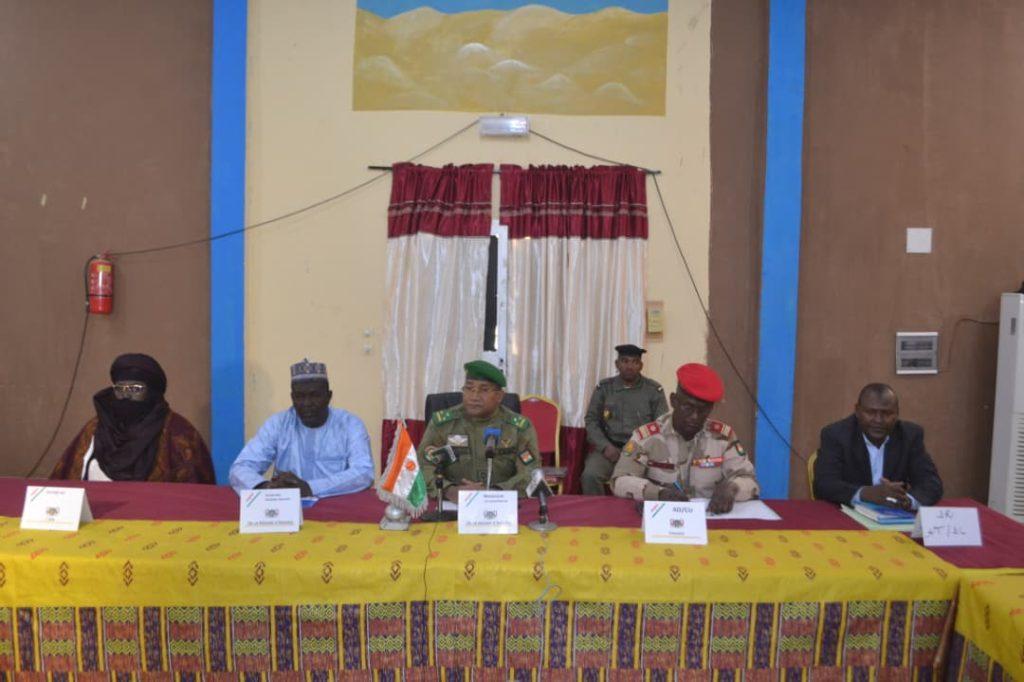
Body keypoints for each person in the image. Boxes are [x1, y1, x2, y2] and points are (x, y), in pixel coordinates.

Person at [611, 362, 759, 513]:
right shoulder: (647, 437)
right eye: (688, 407)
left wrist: (733, 488)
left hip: (709, 517)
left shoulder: (723, 438)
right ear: (674, 401)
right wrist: (657, 493)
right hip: (663, 516)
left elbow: (749, 480)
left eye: (703, 410)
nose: (694, 417)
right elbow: (619, 481)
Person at [50, 353, 214, 483]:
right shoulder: (95, 429)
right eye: (120, 389)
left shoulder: (179, 434)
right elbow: (65, 484)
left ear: (152, 392)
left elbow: (195, 496)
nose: (126, 395)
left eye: (135, 389)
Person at [229, 359, 373, 498]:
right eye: (300, 396)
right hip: (286, 506)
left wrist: (310, 488)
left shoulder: (350, 425)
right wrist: (265, 487)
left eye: (314, 396)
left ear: (329, 397)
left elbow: (364, 472)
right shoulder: (278, 424)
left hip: (336, 505)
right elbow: (241, 467)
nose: (307, 403)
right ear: (292, 397)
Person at [419, 360, 540, 501]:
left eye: (484, 390)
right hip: (451, 504)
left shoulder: (518, 428)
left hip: (502, 503)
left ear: (499, 396)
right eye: (469, 388)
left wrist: (495, 492)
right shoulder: (443, 424)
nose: (474, 397)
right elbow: (424, 466)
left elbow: (531, 472)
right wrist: (448, 490)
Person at [813, 383, 942, 509]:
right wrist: (866, 493)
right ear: (857, 411)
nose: (878, 420)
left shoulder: (910, 435)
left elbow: (931, 483)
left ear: (897, 413)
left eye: (887, 414)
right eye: (870, 412)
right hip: (847, 514)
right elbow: (824, 484)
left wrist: (906, 500)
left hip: (894, 515)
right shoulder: (836, 435)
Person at [581, 344, 668, 495]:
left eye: (634, 362)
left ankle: (640, 510)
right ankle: (597, 510)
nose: (629, 366)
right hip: (610, 449)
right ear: (617, 364)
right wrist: (605, 447)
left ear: (641, 366)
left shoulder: (653, 390)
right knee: (590, 476)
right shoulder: (604, 388)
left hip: (640, 451)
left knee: (652, 480)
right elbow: (591, 420)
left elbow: (661, 425)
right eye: (625, 361)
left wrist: (644, 450)